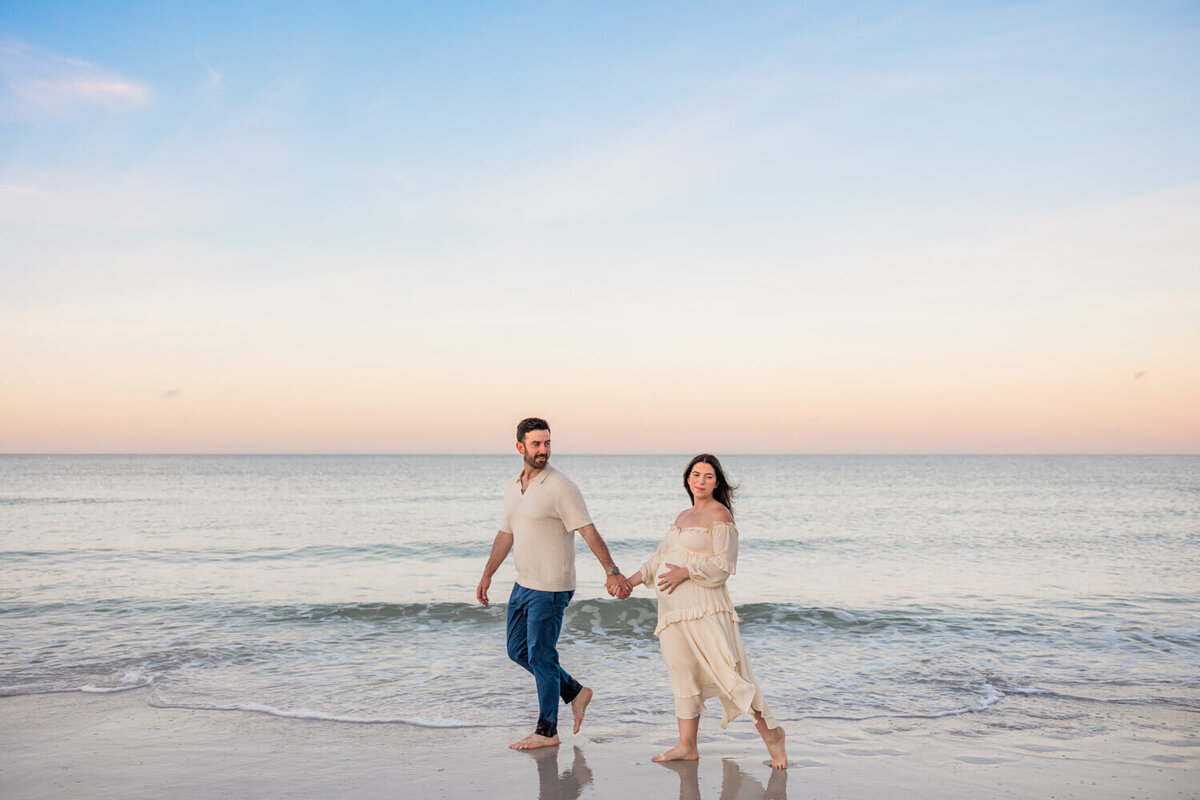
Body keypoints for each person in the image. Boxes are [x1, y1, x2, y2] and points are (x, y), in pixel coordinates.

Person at [476, 418, 633, 750]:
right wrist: (488, 573)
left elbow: (587, 529)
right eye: (536, 444)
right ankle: (575, 692)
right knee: (518, 651)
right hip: (524, 583)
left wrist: (612, 570)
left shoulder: (561, 486)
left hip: (551, 586)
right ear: (520, 447)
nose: (543, 450)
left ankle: (547, 730)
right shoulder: (513, 486)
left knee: (541, 654)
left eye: (547, 443)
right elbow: (506, 534)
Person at [624, 454, 787, 768]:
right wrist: (628, 583)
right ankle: (687, 745)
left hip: (705, 610)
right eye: (696, 474)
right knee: (682, 673)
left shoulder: (721, 516)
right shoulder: (682, 515)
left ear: (717, 482)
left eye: (708, 476)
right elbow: (660, 557)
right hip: (672, 613)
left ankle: (773, 735)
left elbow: (724, 566)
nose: (700, 480)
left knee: (729, 674)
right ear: (687, 479)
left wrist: (685, 572)